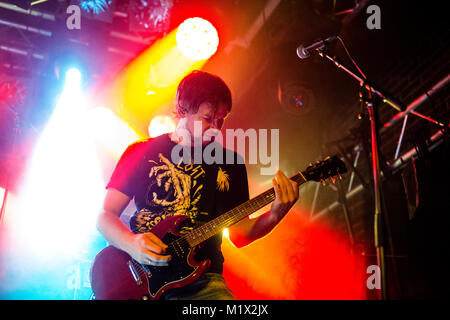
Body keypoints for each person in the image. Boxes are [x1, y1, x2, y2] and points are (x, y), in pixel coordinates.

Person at [96, 70, 299, 300]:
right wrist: (131, 243)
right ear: (182, 108)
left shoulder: (230, 164)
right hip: (142, 278)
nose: (215, 127)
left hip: (202, 284)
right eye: (208, 118)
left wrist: (275, 215)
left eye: (221, 119)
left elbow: (240, 235)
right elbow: (105, 216)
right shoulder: (140, 152)